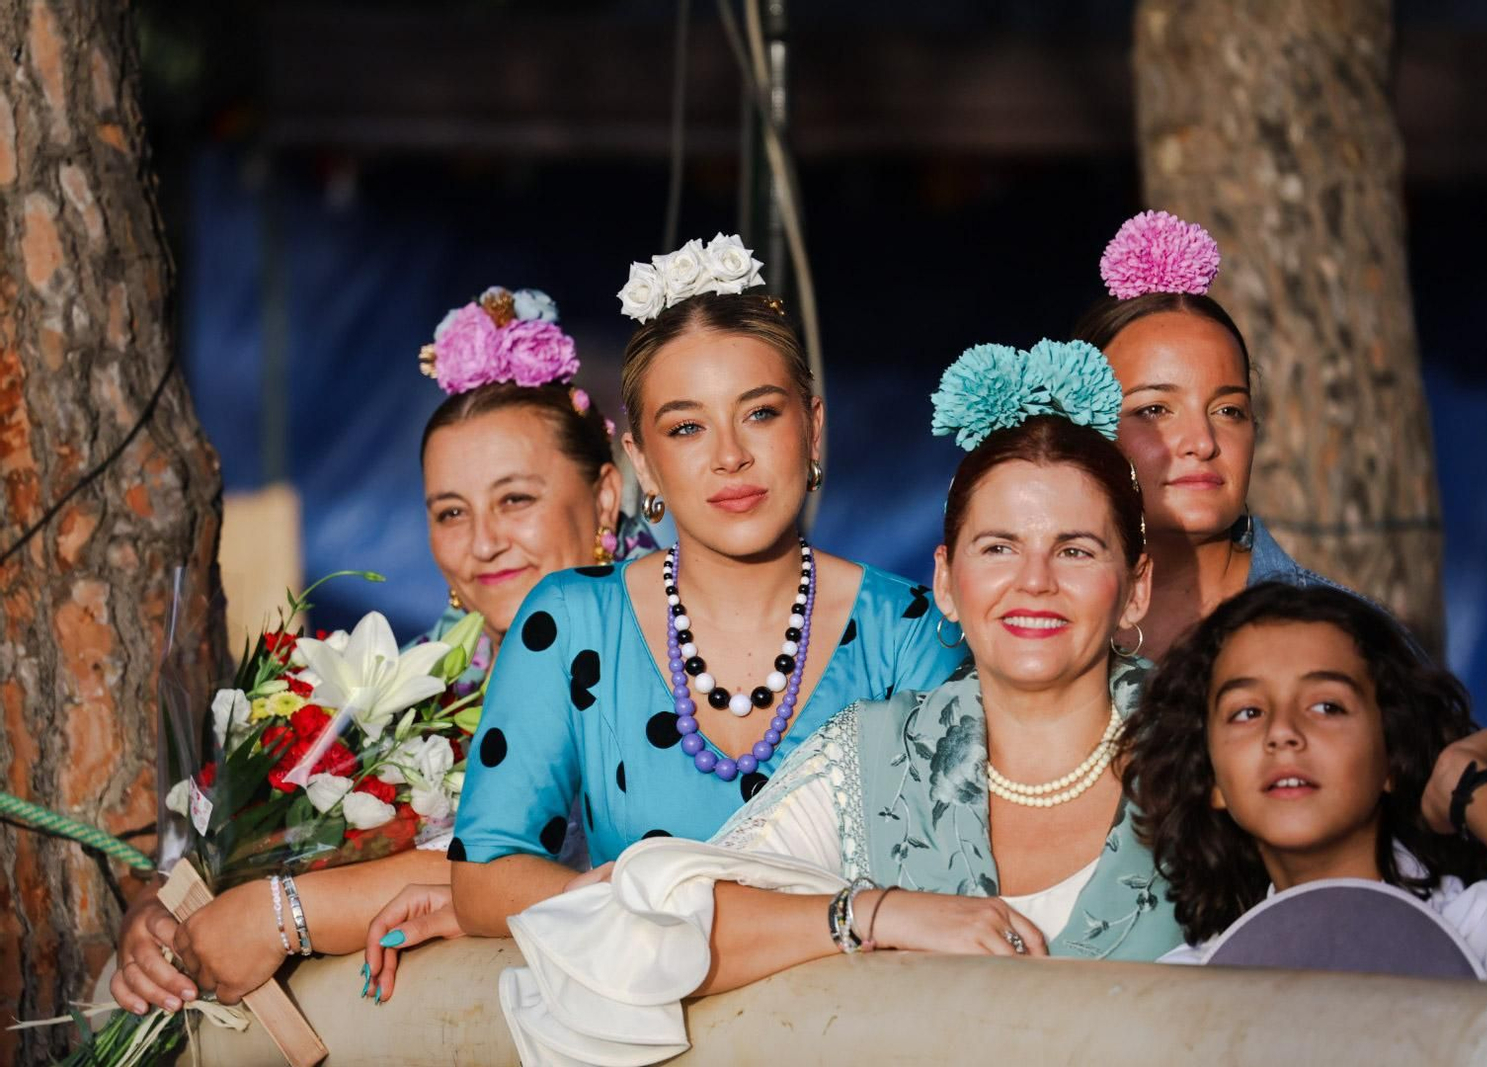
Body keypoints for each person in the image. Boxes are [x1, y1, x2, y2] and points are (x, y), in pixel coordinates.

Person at [466, 337, 1181, 1066]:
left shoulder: (1205, 755)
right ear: (946, 581)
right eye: (998, 547)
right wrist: (872, 912)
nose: (1034, 580)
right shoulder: (872, 754)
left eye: (1076, 549)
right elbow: (655, 917)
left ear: (1138, 586)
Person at [110, 286, 653, 1012]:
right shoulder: (419, 675)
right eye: (451, 512)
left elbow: (499, 864)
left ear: (607, 497)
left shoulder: (652, 658)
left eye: (515, 499)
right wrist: (160, 910)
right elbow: (248, 827)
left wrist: (284, 912)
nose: (483, 542)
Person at [443, 235, 970, 949]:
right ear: (642, 465)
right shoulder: (571, 622)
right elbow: (484, 875)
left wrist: (665, 908)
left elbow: (947, 892)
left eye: (759, 412)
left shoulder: (914, 629)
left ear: (813, 429)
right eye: (687, 427)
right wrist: (622, 910)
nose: (730, 455)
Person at [1120, 581, 1487, 982]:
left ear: (1392, 756)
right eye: (1247, 712)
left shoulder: (1477, 932)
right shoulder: (1194, 980)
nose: (1282, 733)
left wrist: (1470, 789)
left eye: (1327, 706)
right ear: (1211, 780)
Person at [1074, 211, 1359, 663]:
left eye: (1228, 411)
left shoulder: (1349, 641)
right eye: (1154, 410)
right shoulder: (1026, 624)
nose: (1203, 443)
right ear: (1082, 434)